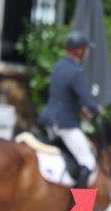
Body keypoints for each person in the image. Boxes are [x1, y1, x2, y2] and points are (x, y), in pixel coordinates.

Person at [38, 30, 101, 188]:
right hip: (65, 125)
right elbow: (89, 102)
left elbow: (64, 96)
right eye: (85, 49)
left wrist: (80, 108)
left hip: (49, 121)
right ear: (79, 50)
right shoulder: (76, 72)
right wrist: (97, 111)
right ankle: (80, 203)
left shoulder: (58, 66)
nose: (87, 52)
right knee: (88, 163)